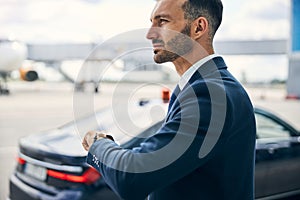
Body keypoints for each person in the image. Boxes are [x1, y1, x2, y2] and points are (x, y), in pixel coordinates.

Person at [82, 0, 256, 199]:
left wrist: (98, 144)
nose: (150, 34)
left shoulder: (210, 95)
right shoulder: (200, 87)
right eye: (151, 22)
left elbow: (131, 177)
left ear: (198, 27)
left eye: (162, 21)